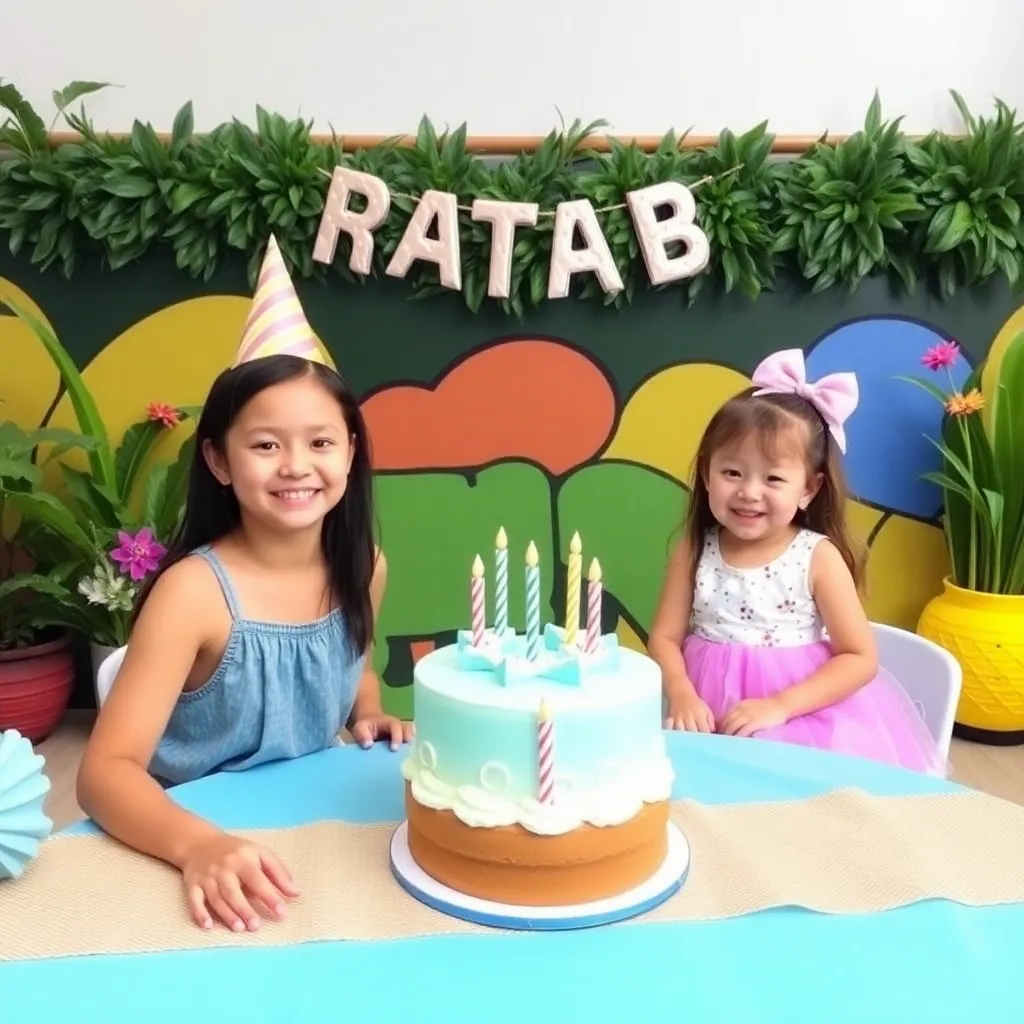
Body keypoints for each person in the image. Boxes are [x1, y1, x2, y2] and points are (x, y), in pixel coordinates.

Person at [77, 236, 412, 934]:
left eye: (321, 441)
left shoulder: (364, 565)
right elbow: (104, 772)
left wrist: (368, 710)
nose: (295, 466)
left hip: (313, 826)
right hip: (186, 836)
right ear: (219, 461)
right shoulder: (194, 594)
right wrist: (199, 846)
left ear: (352, 450)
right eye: (265, 444)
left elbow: (356, 663)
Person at [647, 348, 946, 777]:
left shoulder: (816, 557)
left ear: (808, 489)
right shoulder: (694, 549)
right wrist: (680, 693)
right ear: (707, 473)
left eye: (773, 478)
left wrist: (779, 707)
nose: (749, 492)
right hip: (701, 714)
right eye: (732, 473)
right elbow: (664, 637)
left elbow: (860, 657)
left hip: (798, 719)